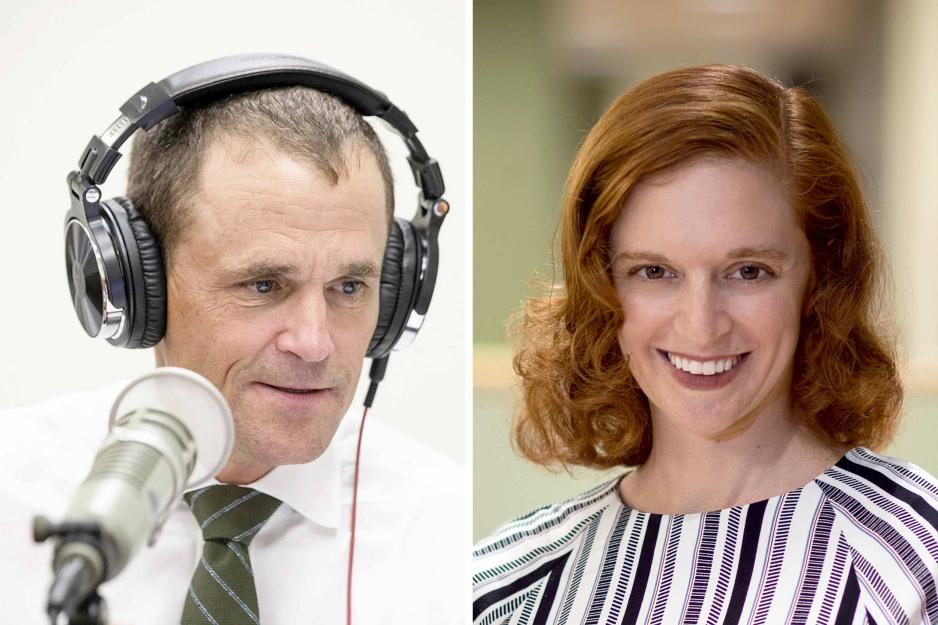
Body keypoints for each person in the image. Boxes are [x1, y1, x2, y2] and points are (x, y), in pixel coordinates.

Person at [0, 56, 462, 624]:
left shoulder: (451, 542)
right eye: (263, 284)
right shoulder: (12, 488)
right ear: (135, 284)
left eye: (349, 286)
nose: (314, 343)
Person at [472, 64, 938, 624]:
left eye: (748, 271)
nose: (701, 325)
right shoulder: (503, 584)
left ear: (821, 278)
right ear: (602, 285)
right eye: (653, 272)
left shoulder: (917, 557)